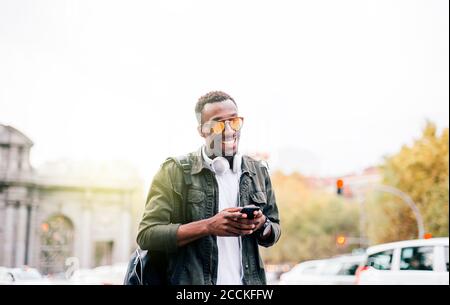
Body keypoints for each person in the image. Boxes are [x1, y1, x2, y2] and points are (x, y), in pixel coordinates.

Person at [136, 91, 281, 285]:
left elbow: (274, 229)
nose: (229, 130)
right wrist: (208, 226)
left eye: (234, 121)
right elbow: (147, 235)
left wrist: (261, 225)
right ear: (202, 130)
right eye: (219, 123)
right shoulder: (173, 171)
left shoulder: (258, 172)